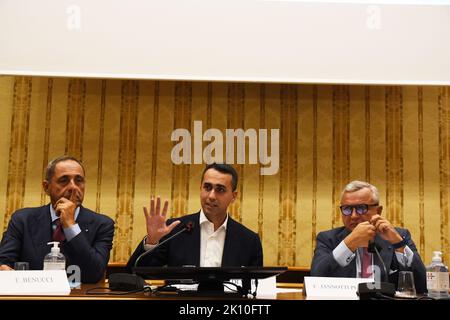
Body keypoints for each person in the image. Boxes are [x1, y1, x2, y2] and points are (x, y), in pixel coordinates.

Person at [0, 156, 115, 283]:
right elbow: (4, 262)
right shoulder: (23, 220)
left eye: (79, 180)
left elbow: (94, 274)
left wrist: (71, 225)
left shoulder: (103, 224)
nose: (73, 187)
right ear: (46, 187)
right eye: (64, 180)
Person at [126, 163, 263, 270]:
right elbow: (135, 273)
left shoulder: (249, 241)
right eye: (207, 187)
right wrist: (152, 242)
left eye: (220, 189)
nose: (211, 196)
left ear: (233, 196)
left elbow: (256, 289)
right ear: (200, 189)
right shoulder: (175, 229)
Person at [310, 180, 427, 293]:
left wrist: (398, 244)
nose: (354, 216)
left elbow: (422, 286)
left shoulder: (399, 236)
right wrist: (349, 244)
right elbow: (315, 281)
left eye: (361, 208)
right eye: (347, 209)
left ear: (379, 211)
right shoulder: (327, 239)